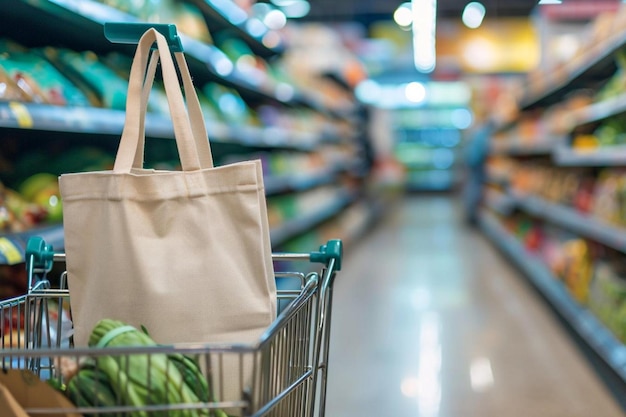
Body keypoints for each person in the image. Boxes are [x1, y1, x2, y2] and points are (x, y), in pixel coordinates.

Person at [462, 120, 494, 226]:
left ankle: (471, 213)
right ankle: (472, 215)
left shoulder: (477, 133)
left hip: (472, 163)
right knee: (475, 188)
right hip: (477, 165)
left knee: (472, 187)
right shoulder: (483, 135)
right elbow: (482, 152)